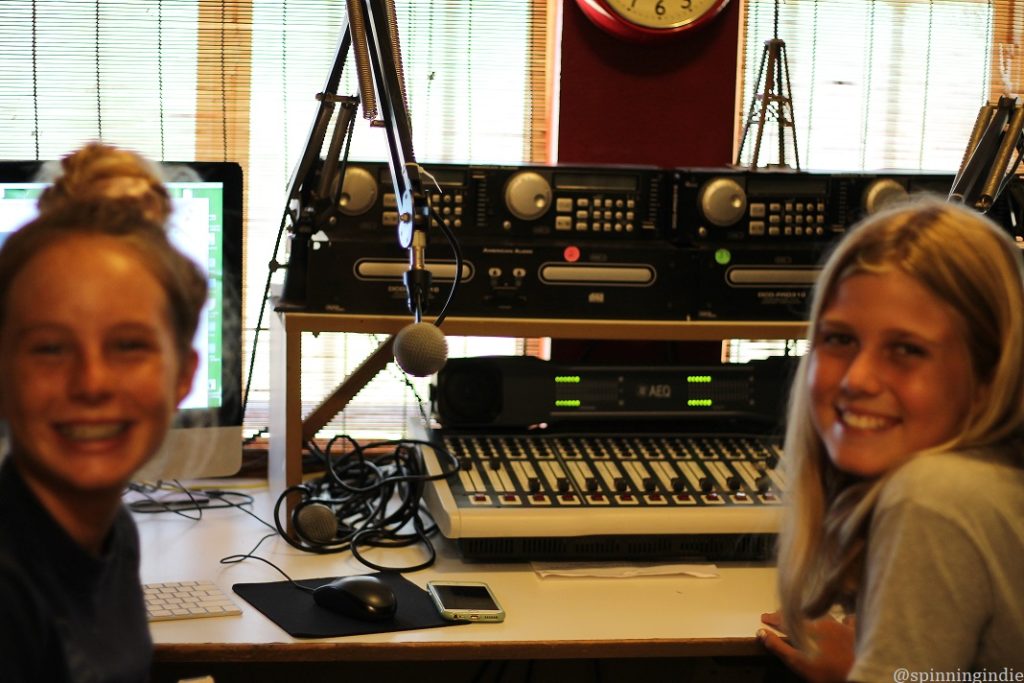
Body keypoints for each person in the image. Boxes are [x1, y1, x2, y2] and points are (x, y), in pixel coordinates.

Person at [758, 198, 1024, 681]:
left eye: (906, 350)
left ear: (989, 376)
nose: (858, 379)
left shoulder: (935, 495)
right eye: (840, 340)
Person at [0, 146, 207, 681]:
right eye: (50, 348)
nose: (90, 383)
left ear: (182, 373)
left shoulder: (111, 532)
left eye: (128, 346)